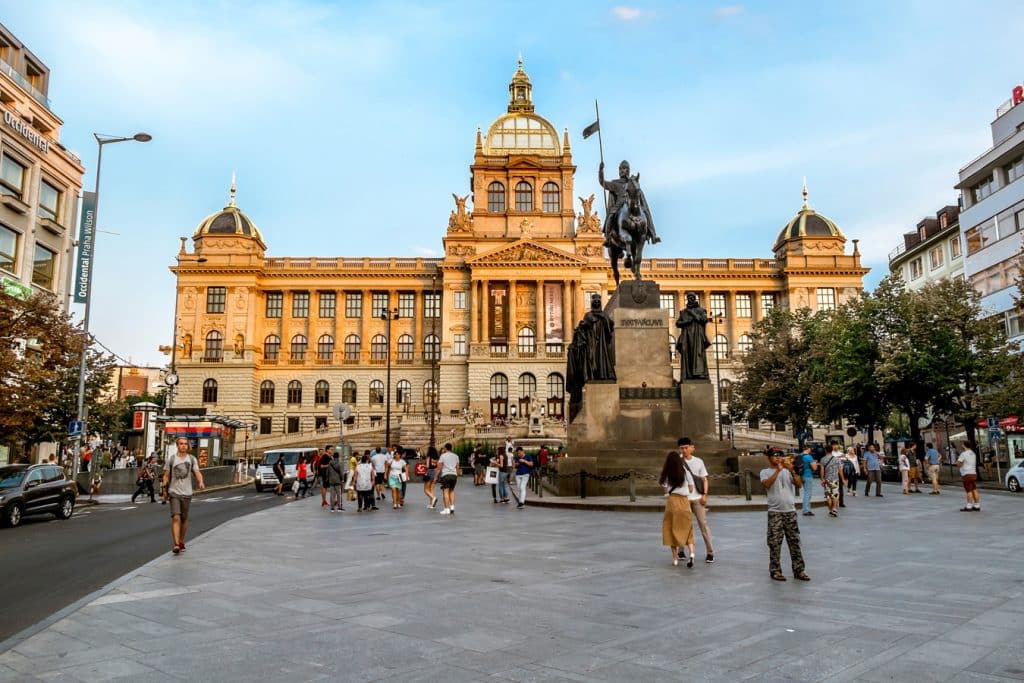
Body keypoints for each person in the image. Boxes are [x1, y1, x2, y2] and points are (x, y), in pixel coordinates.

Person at [760, 449, 809, 582]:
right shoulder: (765, 472)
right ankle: (775, 570)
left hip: (790, 511)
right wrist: (778, 470)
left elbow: (799, 485)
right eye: (775, 456)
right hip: (775, 512)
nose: (778, 458)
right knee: (774, 543)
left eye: (780, 456)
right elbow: (766, 484)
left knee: (794, 542)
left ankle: (799, 570)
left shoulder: (788, 471)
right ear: (769, 458)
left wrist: (792, 470)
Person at [598, 159, 660, 247]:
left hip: (633, 204)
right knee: (611, 215)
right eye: (620, 169)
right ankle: (608, 237)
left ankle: (653, 234)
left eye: (623, 168)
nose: (621, 171)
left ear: (628, 170)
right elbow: (602, 183)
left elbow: (639, 194)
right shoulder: (615, 183)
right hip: (619, 205)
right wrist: (601, 171)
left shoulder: (633, 183)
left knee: (646, 212)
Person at [162, 437, 205, 555]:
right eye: (181, 444)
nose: (183, 446)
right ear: (177, 445)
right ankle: (176, 544)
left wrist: (200, 481)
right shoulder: (171, 459)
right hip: (174, 492)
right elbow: (166, 475)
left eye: (185, 444)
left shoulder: (192, 459)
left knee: (184, 519)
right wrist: (164, 487)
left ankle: (181, 541)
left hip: (187, 493)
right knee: (176, 517)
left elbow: (197, 472)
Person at [679, 437, 714, 563]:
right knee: (683, 526)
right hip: (683, 498)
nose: (684, 450)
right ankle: (681, 550)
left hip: (697, 498)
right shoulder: (678, 461)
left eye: (686, 447)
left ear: (692, 448)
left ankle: (710, 552)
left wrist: (705, 494)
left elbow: (705, 479)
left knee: (703, 525)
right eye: (682, 448)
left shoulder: (699, 461)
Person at [659, 450, 695, 568]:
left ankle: (675, 558)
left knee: (670, 529)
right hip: (685, 502)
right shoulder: (685, 472)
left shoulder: (667, 473)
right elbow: (691, 488)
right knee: (688, 529)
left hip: (673, 502)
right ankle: (692, 553)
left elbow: (665, 489)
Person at [434, 443, 461, 515]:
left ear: (445, 448)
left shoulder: (443, 456)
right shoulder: (456, 456)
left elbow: (439, 467)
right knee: (452, 490)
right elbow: (458, 467)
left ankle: (446, 509)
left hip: (446, 475)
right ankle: (452, 507)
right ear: (451, 448)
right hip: (454, 475)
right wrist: (457, 475)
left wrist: (435, 477)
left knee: (445, 492)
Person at [819, 442, 844, 517]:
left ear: (825, 450)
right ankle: (835, 509)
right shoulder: (837, 459)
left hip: (827, 480)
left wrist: (822, 479)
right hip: (835, 480)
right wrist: (843, 479)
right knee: (835, 495)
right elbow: (840, 470)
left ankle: (830, 510)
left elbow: (822, 470)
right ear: (832, 450)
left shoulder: (823, 459)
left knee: (828, 495)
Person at [956, 441, 980, 512]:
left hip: (966, 474)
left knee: (968, 490)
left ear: (964, 445)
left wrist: (958, 463)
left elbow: (958, 463)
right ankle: (977, 505)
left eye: (962, 444)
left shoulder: (963, 454)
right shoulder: (973, 453)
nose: (961, 445)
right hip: (973, 473)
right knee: (974, 489)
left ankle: (969, 506)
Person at [798, 445, 817, 516]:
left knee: (806, 492)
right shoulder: (809, 457)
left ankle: (807, 509)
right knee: (807, 493)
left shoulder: (800, 455)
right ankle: (806, 510)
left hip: (801, 475)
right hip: (808, 475)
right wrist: (814, 463)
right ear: (808, 449)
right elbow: (814, 468)